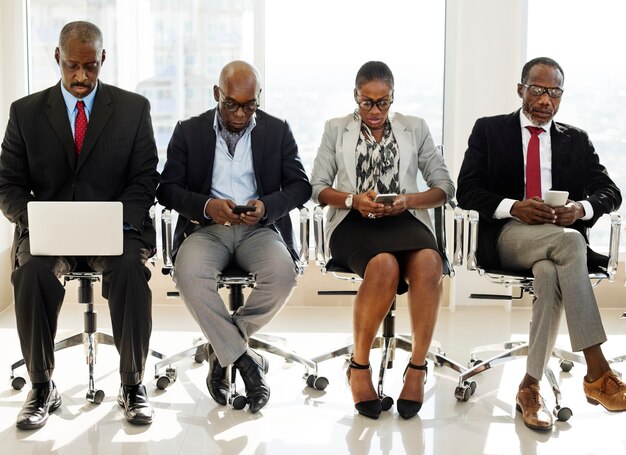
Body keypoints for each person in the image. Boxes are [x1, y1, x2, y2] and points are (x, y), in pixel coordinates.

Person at [0, 21, 159, 429]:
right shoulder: (25, 112)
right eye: (72, 66)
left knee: (128, 271)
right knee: (32, 271)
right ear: (57, 58)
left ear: (103, 59)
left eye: (90, 66)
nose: (81, 76)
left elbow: (145, 178)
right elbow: (8, 184)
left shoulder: (133, 108)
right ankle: (41, 386)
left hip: (116, 229)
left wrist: (118, 222)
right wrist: (34, 220)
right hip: (49, 232)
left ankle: (133, 384)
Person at [457, 56, 626, 431]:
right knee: (569, 246)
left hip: (558, 243)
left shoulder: (575, 139)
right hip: (507, 236)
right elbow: (466, 191)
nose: (545, 100)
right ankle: (598, 372)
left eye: (554, 93)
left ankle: (529, 388)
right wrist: (513, 207)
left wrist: (579, 210)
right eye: (537, 90)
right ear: (521, 90)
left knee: (552, 270)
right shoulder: (489, 130)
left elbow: (610, 192)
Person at [156, 60, 311, 413]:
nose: (240, 113)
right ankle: (246, 361)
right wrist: (208, 206)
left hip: (258, 229)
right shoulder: (188, 131)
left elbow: (301, 186)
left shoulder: (277, 130)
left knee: (283, 275)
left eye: (249, 105)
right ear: (217, 94)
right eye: (232, 104)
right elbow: (166, 190)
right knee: (189, 274)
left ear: (258, 98)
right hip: (206, 229)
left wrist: (267, 206)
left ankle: (221, 349)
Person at [310, 61, 455, 420]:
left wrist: (408, 200)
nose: (374, 111)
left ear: (393, 97)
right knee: (384, 265)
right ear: (355, 97)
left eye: (383, 102)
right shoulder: (336, 129)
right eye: (366, 102)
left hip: (404, 218)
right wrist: (352, 200)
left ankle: (417, 367)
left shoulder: (415, 128)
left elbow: (444, 187)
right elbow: (317, 187)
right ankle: (359, 366)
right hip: (352, 221)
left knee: (428, 262)